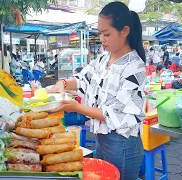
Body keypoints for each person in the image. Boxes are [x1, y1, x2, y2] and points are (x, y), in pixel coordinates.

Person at [48, 2, 145, 179]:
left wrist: (76, 108)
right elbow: (83, 79)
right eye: (100, 33)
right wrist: (62, 83)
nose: (102, 39)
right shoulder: (103, 59)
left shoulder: (134, 66)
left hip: (123, 144)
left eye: (106, 34)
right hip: (103, 139)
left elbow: (115, 115)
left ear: (124, 31)